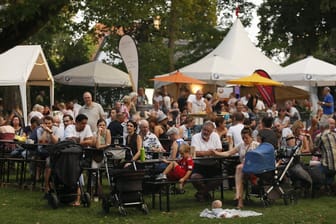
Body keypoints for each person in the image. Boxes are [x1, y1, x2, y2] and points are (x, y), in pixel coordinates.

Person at [214, 127, 259, 208]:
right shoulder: (241, 145)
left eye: (246, 138)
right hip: (244, 170)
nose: (244, 140)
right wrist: (216, 153)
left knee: (239, 168)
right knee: (240, 172)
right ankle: (240, 203)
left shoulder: (256, 145)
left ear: (251, 136)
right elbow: (228, 153)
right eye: (243, 138)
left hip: (254, 169)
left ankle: (238, 194)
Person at [64, 114, 93, 206]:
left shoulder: (87, 127)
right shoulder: (69, 128)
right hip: (69, 156)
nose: (84, 125)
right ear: (76, 122)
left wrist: (78, 141)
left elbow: (91, 141)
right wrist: (83, 141)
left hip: (82, 155)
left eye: (85, 123)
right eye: (82, 123)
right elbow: (69, 141)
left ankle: (78, 199)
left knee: (79, 173)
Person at [190, 121, 222, 202]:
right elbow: (195, 153)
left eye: (208, 131)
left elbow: (219, 150)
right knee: (195, 178)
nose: (206, 132)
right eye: (204, 130)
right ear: (202, 129)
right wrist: (210, 152)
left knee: (220, 179)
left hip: (213, 165)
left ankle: (201, 193)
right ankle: (206, 193)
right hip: (199, 165)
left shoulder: (215, 136)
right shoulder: (195, 137)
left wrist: (203, 153)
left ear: (212, 131)